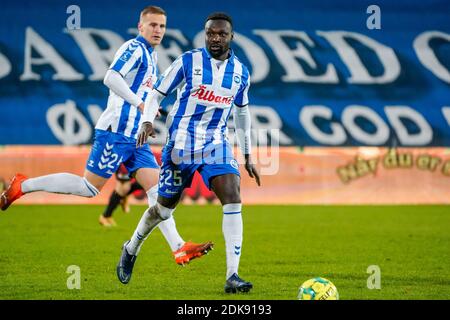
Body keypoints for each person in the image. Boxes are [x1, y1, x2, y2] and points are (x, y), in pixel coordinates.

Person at [0, 6, 213, 266]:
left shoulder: (151, 56)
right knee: (89, 187)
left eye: (162, 26)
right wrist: (138, 103)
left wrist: (150, 108)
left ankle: (178, 247)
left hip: (137, 136)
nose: (158, 30)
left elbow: (142, 92)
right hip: (116, 132)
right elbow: (111, 77)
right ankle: (23, 185)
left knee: (158, 189)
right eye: (153, 25)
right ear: (140, 26)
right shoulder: (133, 48)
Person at [116, 12, 261, 293]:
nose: (215, 38)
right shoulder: (187, 62)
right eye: (210, 33)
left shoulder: (241, 73)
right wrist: (147, 119)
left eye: (221, 34)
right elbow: (156, 94)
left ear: (232, 37)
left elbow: (242, 114)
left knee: (232, 195)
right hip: (180, 146)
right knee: (162, 209)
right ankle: (131, 247)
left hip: (215, 144)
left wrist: (247, 155)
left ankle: (233, 275)